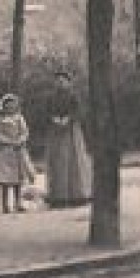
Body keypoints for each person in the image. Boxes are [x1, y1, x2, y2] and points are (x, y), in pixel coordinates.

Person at [44, 69, 93, 207]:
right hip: (55, 131)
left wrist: (69, 119)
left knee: (74, 161)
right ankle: (58, 196)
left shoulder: (73, 96)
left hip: (71, 131)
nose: (60, 83)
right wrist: (53, 119)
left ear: (68, 82)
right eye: (57, 80)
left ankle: (78, 194)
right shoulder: (50, 97)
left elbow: (78, 111)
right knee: (58, 162)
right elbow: (46, 111)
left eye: (63, 80)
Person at [0, 93, 34, 214]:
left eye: (12, 104)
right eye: (7, 104)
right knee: (5, 179)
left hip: (18, 150)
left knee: (18, 179)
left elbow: (25, 132)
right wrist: (9, 142)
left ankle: (18, 203)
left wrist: (20, 140)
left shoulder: (19, 118)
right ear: (3, 105)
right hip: (4, 151)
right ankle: (5, 204)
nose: (10, 107)